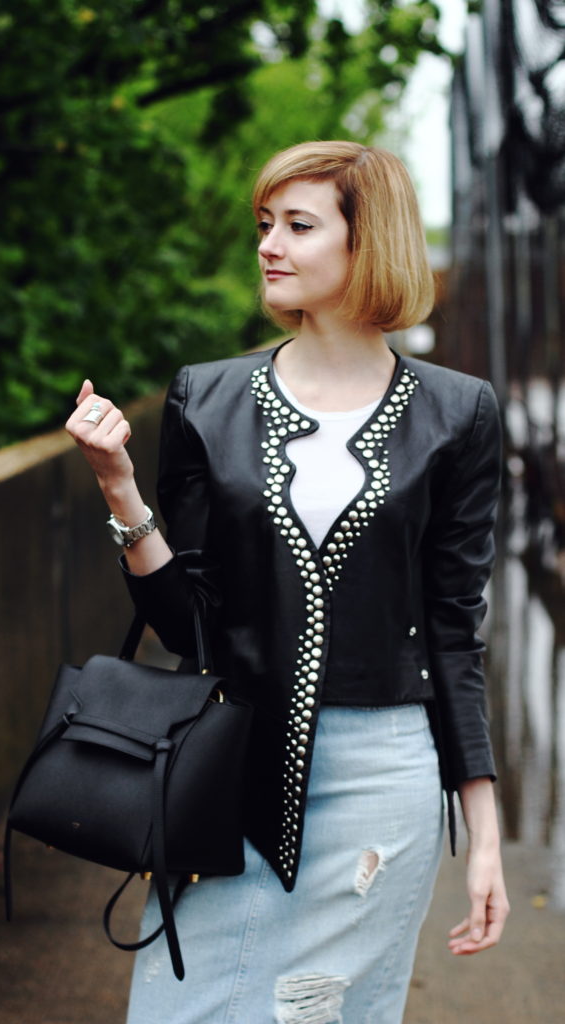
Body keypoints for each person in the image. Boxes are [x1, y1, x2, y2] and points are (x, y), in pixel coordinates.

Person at [65, 141, 510, 1023]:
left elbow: (456, 634)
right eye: (265, 224)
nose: (269, 244)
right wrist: (120, 487)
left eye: (298, 226)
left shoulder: (458, 413)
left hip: (382, 786)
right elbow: (183, 625)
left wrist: (484, 834)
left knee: (325, 1013)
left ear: (366, 241)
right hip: (229, 769)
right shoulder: (207, 397)